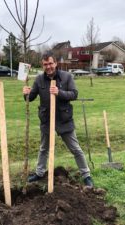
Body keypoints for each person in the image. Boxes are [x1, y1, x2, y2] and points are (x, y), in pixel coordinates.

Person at [23, 52, 93, 187]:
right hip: (46, 119)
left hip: (64, 119)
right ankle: (39, 173)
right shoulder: (39, 80)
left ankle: (86, 175)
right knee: (43, 149)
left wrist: (59, 92)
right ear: (42, 65)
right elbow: (30, 98)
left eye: (50, 63)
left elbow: (74, 94)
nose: (48, 66)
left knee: (75, 149)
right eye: (45, 64)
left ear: (55, 63)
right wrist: (25, 93)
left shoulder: (66, 77)